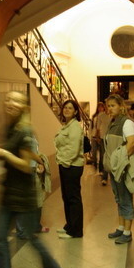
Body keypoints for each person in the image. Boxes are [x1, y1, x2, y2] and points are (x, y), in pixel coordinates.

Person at [0, 91, 62, 268]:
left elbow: (26, 166)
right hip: (9, 194)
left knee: (31, 238)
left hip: (24, 196)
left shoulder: (25, 131)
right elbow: (28, 155)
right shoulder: (10, 128)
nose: (10, 103)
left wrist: (4, 154)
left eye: (16, 101)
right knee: (0, 239)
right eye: (8, 99)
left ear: (24, 106)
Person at [104, 94, 134, 244]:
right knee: (119, 198)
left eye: (113, 106)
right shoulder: (113, 122)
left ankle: (127, 231)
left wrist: (120, 164)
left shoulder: (127, 123)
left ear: (121, 106)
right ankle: (120, 227)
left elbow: (131, 144)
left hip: (122, 167)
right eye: (108, 106)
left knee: (125, 198)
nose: (110, 109)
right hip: (114, 168)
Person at [54, 99, 84, 239]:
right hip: (65, 164)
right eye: (65, 107)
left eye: (70, 108)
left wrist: (64, 163)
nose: (66, 110)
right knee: (66, 197)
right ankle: (69, 225)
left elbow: (74, 149)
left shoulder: (75, 127)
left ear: (75, 112)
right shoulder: (66, 126)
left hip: (72, 166)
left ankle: (76, 231)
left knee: (73, 198)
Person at [94, 101, 111, 186]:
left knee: (109, 157)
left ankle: (108, 174)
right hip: (103, 138)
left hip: (111, 139)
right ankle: (104, 177)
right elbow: (97, 128)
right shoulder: (101, 116)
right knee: (104, 156)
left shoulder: (112, 116)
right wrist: (97, 137)